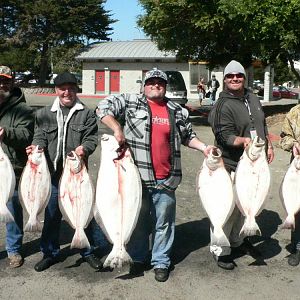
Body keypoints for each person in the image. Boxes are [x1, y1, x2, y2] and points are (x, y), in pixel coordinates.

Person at [96, 68, 214, 282]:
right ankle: (139, 257)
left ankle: (161, 261)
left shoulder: (176, 110)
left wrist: (204, 148)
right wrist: (116, 128)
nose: (155, 85)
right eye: (151, 81)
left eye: (160, 82)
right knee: (138, 220)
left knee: (164, 222)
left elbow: (188, 136)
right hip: (136, 179)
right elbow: (102, 108)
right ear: (144, 84)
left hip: (167, 178)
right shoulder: (130, 101)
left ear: (165, 86)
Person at [26, 72, 107, 272]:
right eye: (63, 88)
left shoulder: (86, 113)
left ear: (76, 89)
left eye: (71, 88)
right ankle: (49, 253)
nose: (67, 92)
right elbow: (39, 136)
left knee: (84, 212)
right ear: (56, 90)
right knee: (52, 213)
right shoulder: (44, 113)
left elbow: (91, 138)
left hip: (77, 173)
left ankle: (89, 252)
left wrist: (84, 149)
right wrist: (36, 146)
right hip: (52, 175)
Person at [208, 60, 274, 270]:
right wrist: (243, 141)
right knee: (226, 208)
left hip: (254, 162)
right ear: (225, 79)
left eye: (239, 75)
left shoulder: (252, 97)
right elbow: (223, 135)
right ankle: (221, 250)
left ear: (244, 78)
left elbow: (261, 123)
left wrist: (269, 146)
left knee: (244, 206)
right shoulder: (222, 105)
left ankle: (236, 241)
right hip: (231, 163)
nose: (235, 78)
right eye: (230, 76)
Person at [0, 66, 34, 268]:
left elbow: (26, 136)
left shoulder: (23, 109)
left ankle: (13, 250)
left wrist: (7, 132)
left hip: (10, 168)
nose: (2, 85)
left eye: (6, 81)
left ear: (12, 83)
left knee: (11, 208)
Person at [279, 104, 300, 266]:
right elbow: (284, 137)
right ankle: (297, 246)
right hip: (298, 167)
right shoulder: (295, 112)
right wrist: (293, 144)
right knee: (297, 209)